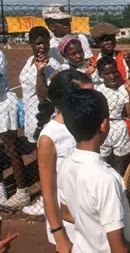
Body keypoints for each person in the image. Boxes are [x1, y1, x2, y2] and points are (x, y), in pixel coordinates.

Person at [58, 89, 130, 253]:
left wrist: (93, 226)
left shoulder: (65, 165)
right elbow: (119, 250)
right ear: (104, 124)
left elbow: (65, 213)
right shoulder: (107, 179)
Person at [25, 70, 92, 250]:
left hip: (88, 214)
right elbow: (48, 194)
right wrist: (59, 236)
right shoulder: (49, 137)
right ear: (68, 100)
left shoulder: (87, 124)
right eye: (87, 95)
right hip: (66, 223)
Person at [18, 26, 62, 208]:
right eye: (38, 43)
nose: (42, 47)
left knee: (52, 158)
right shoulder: (29, 63)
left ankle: (50, 200)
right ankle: (48, 197)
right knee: (41, 158)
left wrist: (40, 71)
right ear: (31, 45)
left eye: (45, 43)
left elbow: (43, 94)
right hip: (32, 117)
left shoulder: (54, 65)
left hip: (48, 118)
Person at [91, 23, 130, 156]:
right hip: (103, 110)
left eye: (111, 38)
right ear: (98, 42)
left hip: (121, 108)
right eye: (105, 39)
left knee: (126, 147)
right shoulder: (93, 62)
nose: (109, 42)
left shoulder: (122, 57)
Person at [95, 57, 130, 176]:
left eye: (114, 72)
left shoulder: (124, 89)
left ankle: (119, 183)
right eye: (107, 73)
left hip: (119, 126)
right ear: (101, 75)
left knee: (119, 162)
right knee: (103, 161)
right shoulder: (98, 90)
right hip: (103, 126)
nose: (112, 76)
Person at [0, 51, 26, 208]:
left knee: (11, 149)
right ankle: (2, 191)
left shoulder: (0, 55)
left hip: (3, 106)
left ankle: (22, 191)